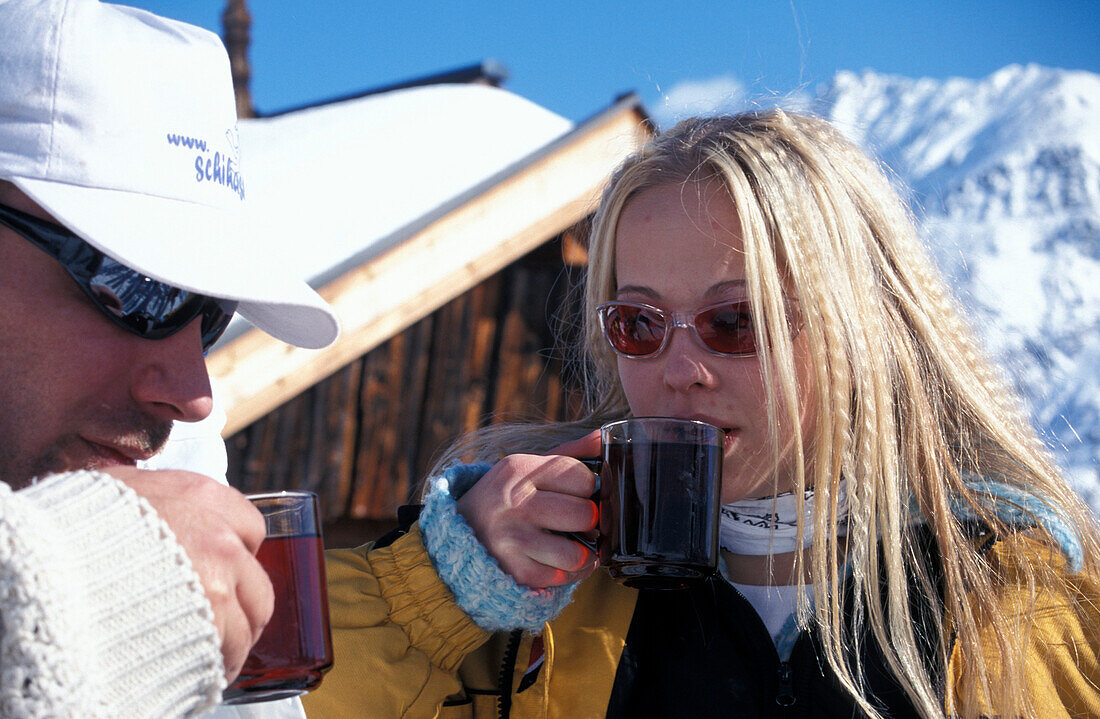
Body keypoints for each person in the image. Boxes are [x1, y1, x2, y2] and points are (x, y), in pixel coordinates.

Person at [304, 110, 1100, 719]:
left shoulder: (1010, 588)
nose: (680, 371)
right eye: (640, 325)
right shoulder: (533, 590)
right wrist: (438, 586)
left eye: (736, 321)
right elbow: (263, 691)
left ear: (862, 328)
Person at [0, 1, 339, 717]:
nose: (193, 393)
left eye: (210, 315)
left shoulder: (172, 478)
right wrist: (54, 601)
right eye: (138, 289)